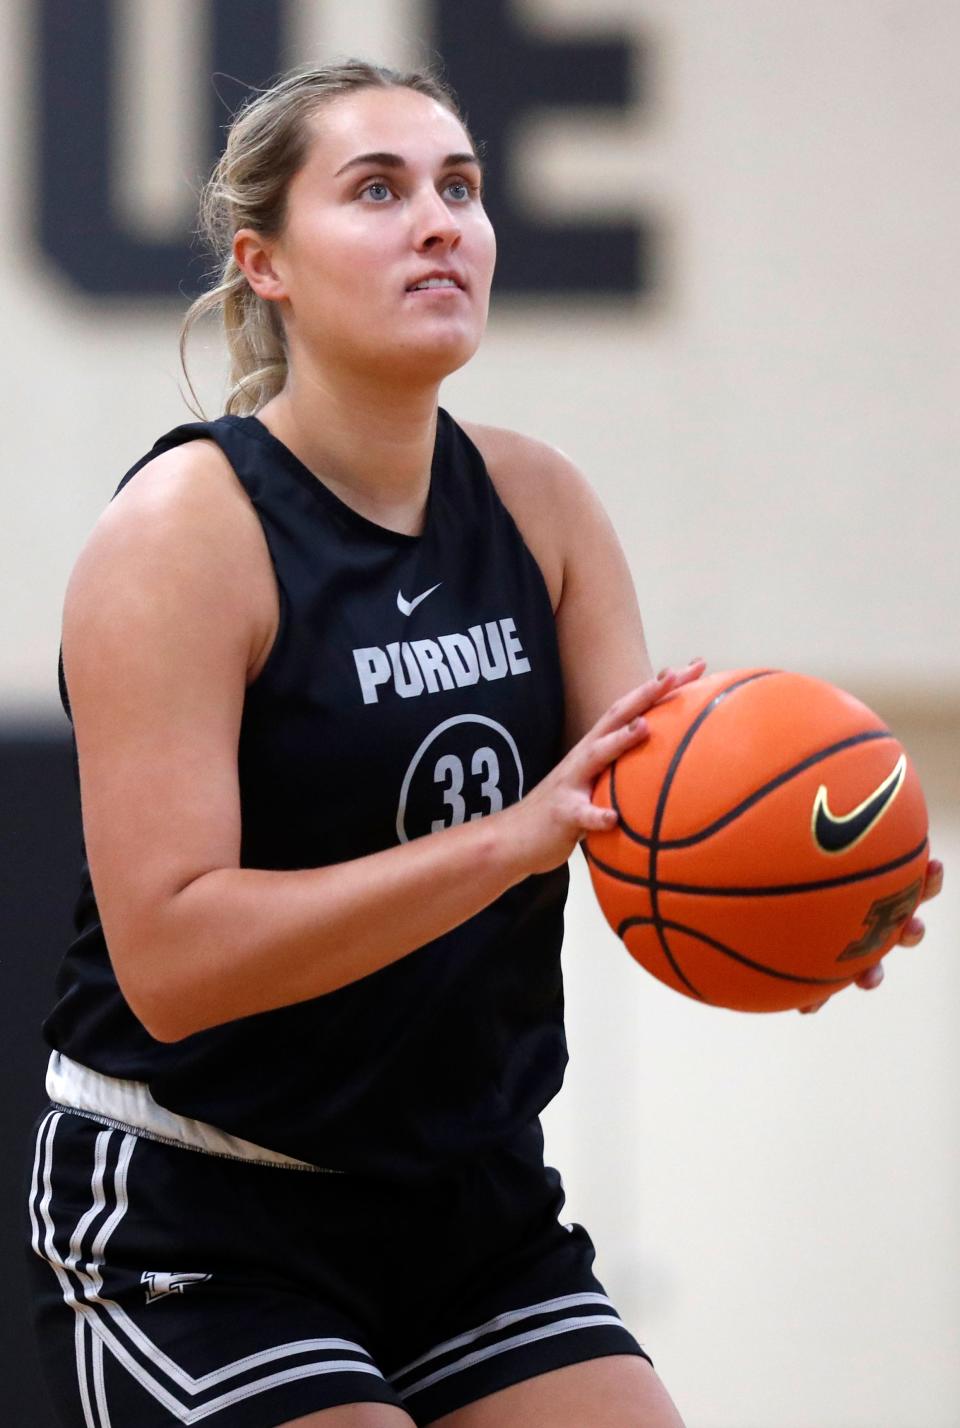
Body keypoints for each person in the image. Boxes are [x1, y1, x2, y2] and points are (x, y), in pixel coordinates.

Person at [25, 59, 942, 1428]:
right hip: (198, 1216)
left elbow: (653, 836)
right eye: (380, 190)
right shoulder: (182, 534)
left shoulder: (541, 504)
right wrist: (508, 843)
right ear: (263, 263)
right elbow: (173, 963)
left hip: (471, 1202)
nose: (440, 221)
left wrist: (816, 907)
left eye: (460, 186)